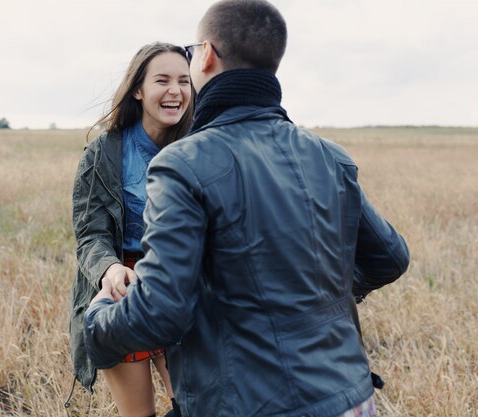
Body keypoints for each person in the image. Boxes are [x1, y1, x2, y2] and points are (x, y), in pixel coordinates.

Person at [83, 1, 410, 417]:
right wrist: (309, 292)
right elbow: (390, 258)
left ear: (206, 54)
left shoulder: (182, 163)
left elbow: (160, 314)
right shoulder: (330, 156)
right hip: (351, 399)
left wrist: (97, 318)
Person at [70, 42, 193, 417]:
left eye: (185, 81)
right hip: (122, 291)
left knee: (194, 407)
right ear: (138, 90)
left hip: (180, 289)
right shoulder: (102, 154)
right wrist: (109, 270)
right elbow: (91, 234)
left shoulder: (199, 148)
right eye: (163, 80)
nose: (176, 91)